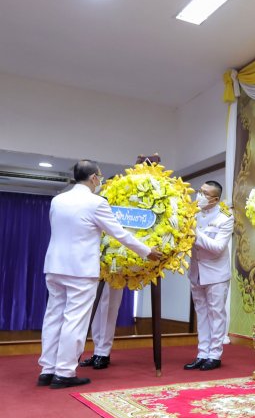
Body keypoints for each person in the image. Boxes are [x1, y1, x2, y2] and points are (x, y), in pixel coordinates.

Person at [38, 160, 162, 389]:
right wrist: (147, 251)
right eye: (100, 176)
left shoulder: (58, 200)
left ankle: (47, 369)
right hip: (80, 270)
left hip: (54, 267)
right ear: (94, 178)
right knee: (74, 320)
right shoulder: (96, 203)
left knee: (53, 317)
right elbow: (119, 234)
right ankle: (64, 372)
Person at [184, 181, 233, 371]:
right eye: (200, 191)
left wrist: (195, 232)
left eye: (205, 194)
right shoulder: (193, 213)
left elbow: (217, 248)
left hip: (216, 274)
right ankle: (202, 353)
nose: (200, 196)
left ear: (215, 199)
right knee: (202, 314)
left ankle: (215, 355)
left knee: (216, 314)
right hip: (196, 272)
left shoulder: (225, 217)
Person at [78, 284, 124, 369]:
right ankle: (98, 352)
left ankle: (103, 352)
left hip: (113, 273)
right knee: (96, 308)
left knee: (109, 306)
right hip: (96, 272)